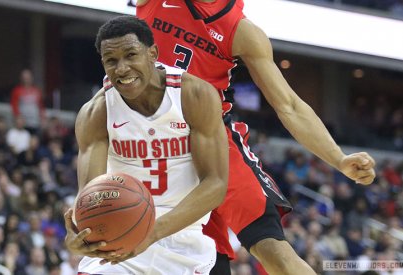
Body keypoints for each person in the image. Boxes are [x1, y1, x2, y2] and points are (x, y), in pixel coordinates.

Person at [136, 1, 376, 274]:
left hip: (215, 142)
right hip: (150, 143)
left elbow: (289, 105)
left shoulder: (242, 31)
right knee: (206, 263)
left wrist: (339, 158)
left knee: (273, 250)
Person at [64, 15, 228, 274]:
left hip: (182, 235)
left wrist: (151, 232)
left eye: (131, 55)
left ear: (153, 53)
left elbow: (216, 184)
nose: (121, 69)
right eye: (111, 61)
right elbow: (90, 196)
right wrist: (79, 235)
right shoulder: (96, 112)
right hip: (120, 235)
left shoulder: (194, 95)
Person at [10, 69, 45, 133]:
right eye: (24, 78)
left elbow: (41, 106)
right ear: (21, 79)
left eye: (28, 78)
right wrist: (18, 117)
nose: (26, 80)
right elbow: (14, 106)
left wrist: (42, 118)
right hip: (23, 122)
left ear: (31, 78)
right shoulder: (17, 91)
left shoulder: (37, 91)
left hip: (35, 122)